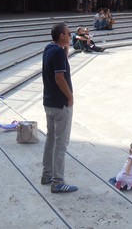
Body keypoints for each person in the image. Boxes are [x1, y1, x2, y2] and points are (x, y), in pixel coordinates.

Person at [41, 22, 78, 193]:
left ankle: (47, 174)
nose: (70, 36)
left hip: (48, 102)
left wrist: (66, 49)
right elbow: (59, 78)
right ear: (62, 36)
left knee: (50, 139)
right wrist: (70, 97)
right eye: (68, 34)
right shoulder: (57, 53)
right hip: (60, 104)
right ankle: (58, 182)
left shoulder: (49, 49)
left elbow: (60, 62)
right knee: (61, 143)